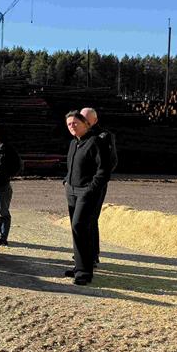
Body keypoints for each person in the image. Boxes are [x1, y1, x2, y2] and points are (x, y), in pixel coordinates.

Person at [64, 110, 110, 285]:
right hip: (71, 191)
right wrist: (66, 181)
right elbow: (71, 167)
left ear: (85, 123)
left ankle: (84, 272)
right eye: (69, 124)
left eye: (75, 123)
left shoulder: (96, 142)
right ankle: (79, 266)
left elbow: (104, 170)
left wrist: (91, 188)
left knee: (80, 227)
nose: (72, 126)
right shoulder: (73, 144)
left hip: (86, 192)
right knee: (77, 230)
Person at [80, 107, 118, 265]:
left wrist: (96, 182)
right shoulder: (79, 135)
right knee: (80, 220)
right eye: (82, 120)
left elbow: (110, 163)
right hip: (78, 184)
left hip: (95, 184)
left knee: (91, 218)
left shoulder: (104, 136)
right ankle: (82, 253)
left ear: (95, 120)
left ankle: (92, 255)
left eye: (87, 120)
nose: (84, 123)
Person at [0, 124, 22, 246]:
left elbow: (17, 166)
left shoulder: (8, 150)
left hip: (1, 187)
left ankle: (2, 237)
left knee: (2, 212)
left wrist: (4, 176)